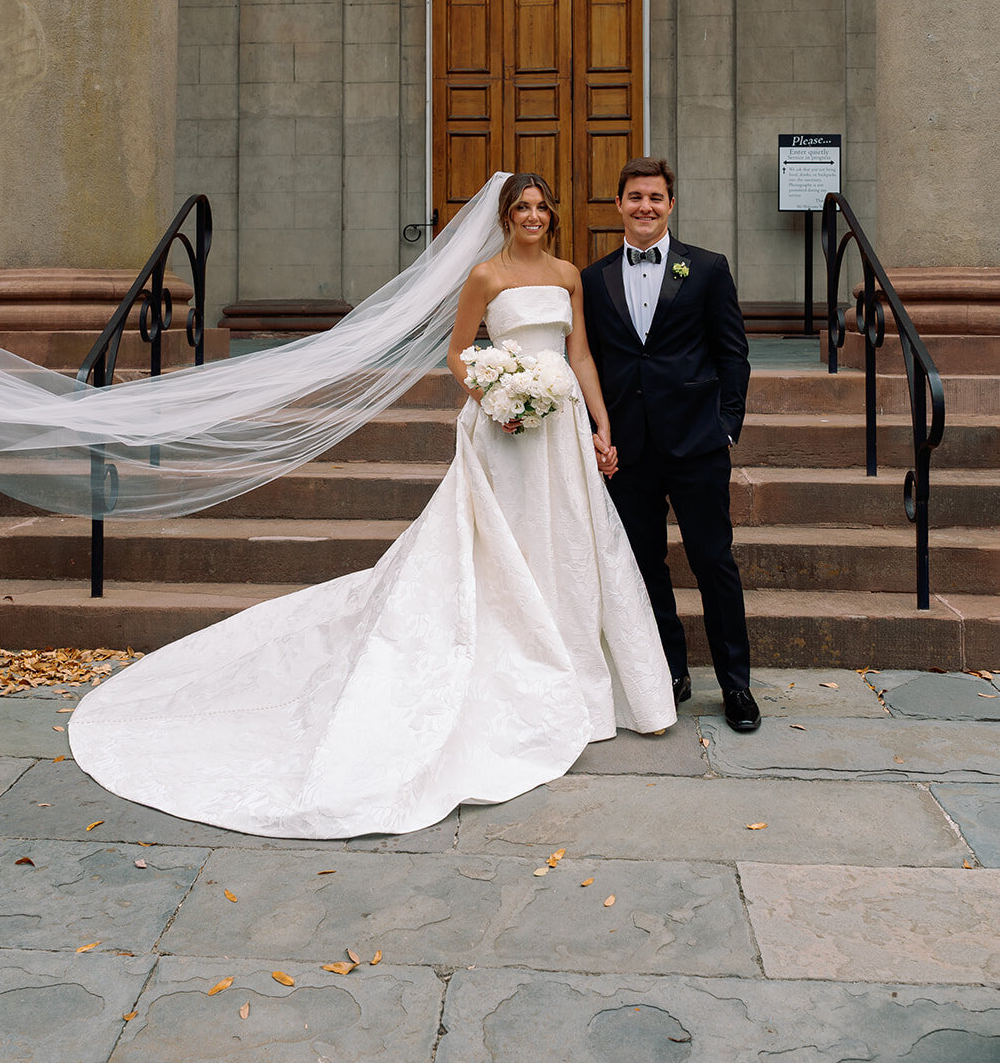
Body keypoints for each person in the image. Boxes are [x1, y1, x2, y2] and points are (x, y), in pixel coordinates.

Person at [67, 173, 676, 838]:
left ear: (552, 215)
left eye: (541, 207)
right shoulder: (484, 277)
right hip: (506, 429)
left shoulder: (567, 276)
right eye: (521, 208)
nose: (533, 216)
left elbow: (579, 354)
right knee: (510, 538)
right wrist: (493, 396)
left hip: (561, 429)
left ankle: (580, 676)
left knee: (572, 540)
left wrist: (600, 423)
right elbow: (457, 353)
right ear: (505, 216)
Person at [581, 157, 760, 733]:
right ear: (619, 204)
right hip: (628, 449)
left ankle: (736, 685)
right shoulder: (593, 278)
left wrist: (726, 425)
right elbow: (590, 359)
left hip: (697, 443)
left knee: (713, 562)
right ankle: (669, 673)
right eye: (635, 197)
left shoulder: (706, 268)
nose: (645, 207)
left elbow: (732, 352)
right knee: (645, 567)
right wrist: (596, 430)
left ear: (671, 205)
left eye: (655, 197)